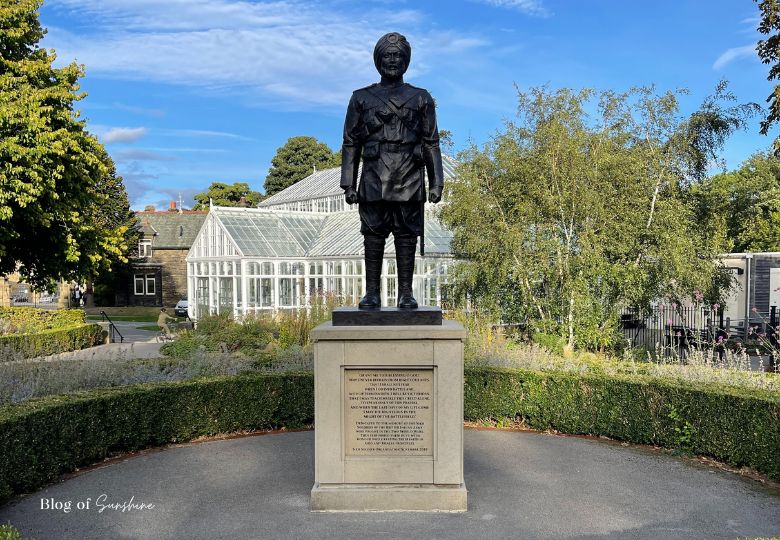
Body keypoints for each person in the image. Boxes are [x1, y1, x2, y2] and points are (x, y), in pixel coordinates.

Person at [340, 32, 444, 309]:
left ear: (406, 60)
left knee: (407, 235)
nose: (393, 60)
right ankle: (371, 292)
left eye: (398, 55)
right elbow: (351, 141)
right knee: (373, 234)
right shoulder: (360, 98)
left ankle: (405, 293)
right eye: (387, 55)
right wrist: (348, 183)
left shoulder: (421, 98)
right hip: (373, 175)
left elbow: (431, 141)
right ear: (378, 59)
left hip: (409, 175)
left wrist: (437, 183)